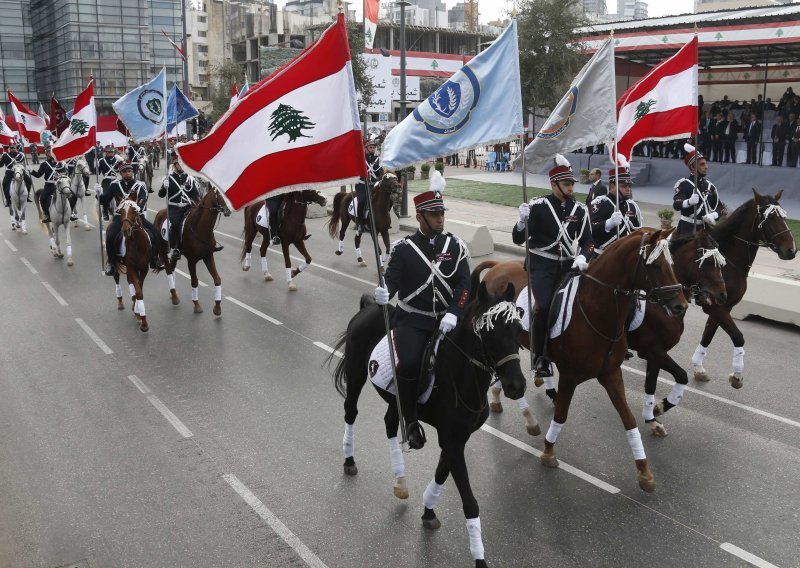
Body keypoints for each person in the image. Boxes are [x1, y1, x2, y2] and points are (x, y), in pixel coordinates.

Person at [373, 190, 471, 450]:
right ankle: (411, 419)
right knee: (409, 364)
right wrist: (384, 292)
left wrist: (455, 311)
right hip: (413, 320)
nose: (440, 219)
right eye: (434, 215)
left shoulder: (455, 246)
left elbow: (464, 284)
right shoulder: (402, 249)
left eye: (441, 214)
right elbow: (391, 283)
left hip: (447, 319)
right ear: (419, 216)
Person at [512, 154, 593, 377]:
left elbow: (588, 241)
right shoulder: (538, 206)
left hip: (568, 266)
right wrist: (521, 222)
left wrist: (583, 257)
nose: (570, 188)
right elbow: (517, 239)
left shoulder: (580, 210)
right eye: (566, 184)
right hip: (541, 266)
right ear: (553, 184)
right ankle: (540, 358)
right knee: (544, 307)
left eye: (571, 184)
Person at [100, 161, 163, 275]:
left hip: (138, 216)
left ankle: (154, 259)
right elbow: (105, 200)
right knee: (110, 237)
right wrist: (99, 194)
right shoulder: (114, 185)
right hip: (120, 217)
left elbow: (143, 197)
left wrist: (139, 207)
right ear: (121, 173)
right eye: (125, 171)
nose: (128, 173)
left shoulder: (140, 184)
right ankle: (112, 263)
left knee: (155, 233)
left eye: (129, 171)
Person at [589, 162, 642, 255]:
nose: (628, 189)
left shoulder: (632, 206)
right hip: (604, 255)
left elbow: (638, 231)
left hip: (625, 256)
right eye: (624, 186)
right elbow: (590, 229)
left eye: (629, 186)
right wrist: (608, 224)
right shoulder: (601, 203)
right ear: (612, 187)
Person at [159, 154, 201, 261]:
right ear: (175, 165)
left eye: (183, 164)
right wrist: (164, 187)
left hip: (187, 207)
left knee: (201, 220)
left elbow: (195, 195)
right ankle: (177, 248)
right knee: (176, 224)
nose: (182, 166)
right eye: (180, 164)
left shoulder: (190, 179)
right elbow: (161, 195)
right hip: (174, 208)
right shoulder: (169, 179)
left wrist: (200, 205)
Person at [672, 144, 721, 236]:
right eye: (702, 164)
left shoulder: (710, 186)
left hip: (705, 229)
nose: (706, 167)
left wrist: (714, 215)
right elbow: (676, 205)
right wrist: (688, 202)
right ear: (692, 167)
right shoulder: (684, 184)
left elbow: (720, 208)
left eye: (706, 163)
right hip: (687, 229)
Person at [354, 139, 383, 232]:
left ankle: (382, 221)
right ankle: (359, 223)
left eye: (374, 147)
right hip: (362, 185)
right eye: (370, 147)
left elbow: (379, 172)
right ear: (365, 149)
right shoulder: (360, 159)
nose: (373, 149)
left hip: (373, 185)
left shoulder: (377, 159)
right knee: (362, 201)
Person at [31, 151, 67, 223]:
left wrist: (66, 168)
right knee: (42, 199)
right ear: (47, 154)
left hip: (59, 185)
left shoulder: (60, 163)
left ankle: (71, 213)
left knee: (69, 196)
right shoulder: (44, 164)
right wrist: (31, 171)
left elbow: (65, 174)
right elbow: (38, 175)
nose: (51, 154)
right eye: (50, 153)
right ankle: (47, 215)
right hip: (48, 186)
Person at [97, 145, 122, 220]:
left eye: (112, 152)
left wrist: (121, 162)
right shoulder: (102, 161)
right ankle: (105, 211)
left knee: (123, 195)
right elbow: (98, 173)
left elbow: (121, 171)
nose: (111, 153)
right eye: (109, 152)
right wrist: (96, 166)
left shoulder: (117, 160)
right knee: (105, 195)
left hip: (116, 180)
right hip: (107, 180)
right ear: (106, 152)